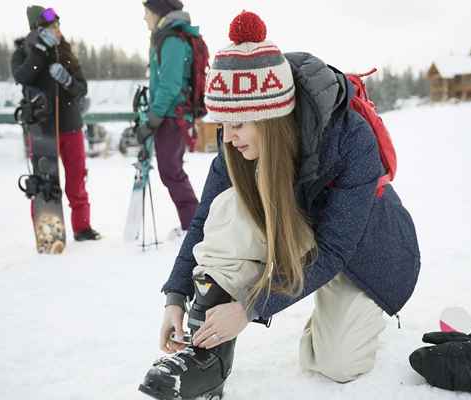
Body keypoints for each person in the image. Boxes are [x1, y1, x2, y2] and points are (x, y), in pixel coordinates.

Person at [139, 11, 420, 400]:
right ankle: (206, 355)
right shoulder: (235, 145)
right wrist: (177, 295)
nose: (229, 136)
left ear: (269, 117)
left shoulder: (351, 138)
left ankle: (337, 318)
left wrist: (250, 307)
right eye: (223, 124)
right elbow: (204, 220)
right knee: (229, 207)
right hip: (303, 237)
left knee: (336, 364)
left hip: (363, 254)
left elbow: (336, 248)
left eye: (238, 124)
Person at [11, 5, 101, 242]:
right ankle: (48, 233)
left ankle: (82, 228)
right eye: (52, 26)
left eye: (58, 26)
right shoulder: (23, 52)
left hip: (71, 125)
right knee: (45, 183)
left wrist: (67, 80)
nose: (57, 30)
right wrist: (40, 52)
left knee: (76, 178)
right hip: (42, 128)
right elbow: (22, 76)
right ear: (37, 29)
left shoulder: (66, 52)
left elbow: (82, 88)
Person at [137, 0, 200, 240]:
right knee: (171, 171)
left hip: (173, 117)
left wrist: (153, 119)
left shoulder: (172, 40)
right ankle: (192, 225)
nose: (145, 18)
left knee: (172, 171)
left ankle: (193, 227)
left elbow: (170, 85)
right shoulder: (165, 37)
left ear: (158, 13)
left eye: (147, 13)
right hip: (169, 115)